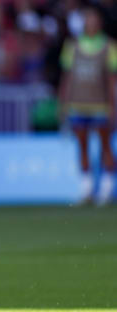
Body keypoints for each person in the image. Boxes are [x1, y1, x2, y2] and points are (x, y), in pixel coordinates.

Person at [59, 6, 117, 205]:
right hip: (78, 103)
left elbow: (112, 79)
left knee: (106, 145)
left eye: (94, 19)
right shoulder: (72, 46)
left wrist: (113, 105)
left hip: (100, 104)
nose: (91, 23)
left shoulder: (109, 46)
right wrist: (63, 102)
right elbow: (67, 77)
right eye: (88, 19)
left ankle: (107, 189)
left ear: (100, 23)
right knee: (82, 146)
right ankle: (86, 189)